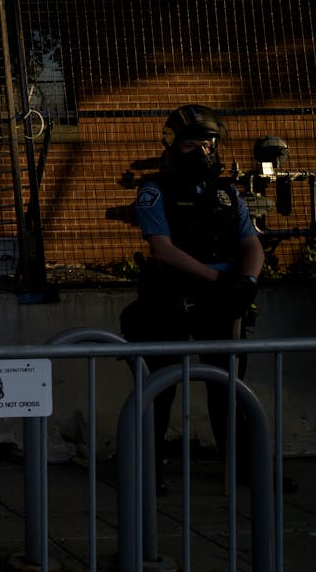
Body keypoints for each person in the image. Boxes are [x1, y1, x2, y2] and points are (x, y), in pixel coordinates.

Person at [119, 104, 283, 491]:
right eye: (192, 144)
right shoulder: (155, 189)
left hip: (223, 301)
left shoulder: (227, 192)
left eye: (209, 144)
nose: (203, 152)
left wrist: (248, 281)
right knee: (160, 386)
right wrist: (217, 280)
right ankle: (147, 469)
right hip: (169, 298)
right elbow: (161, 247)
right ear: (173, 145)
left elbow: (251, 242)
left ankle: (244, 468)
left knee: (229, 387)